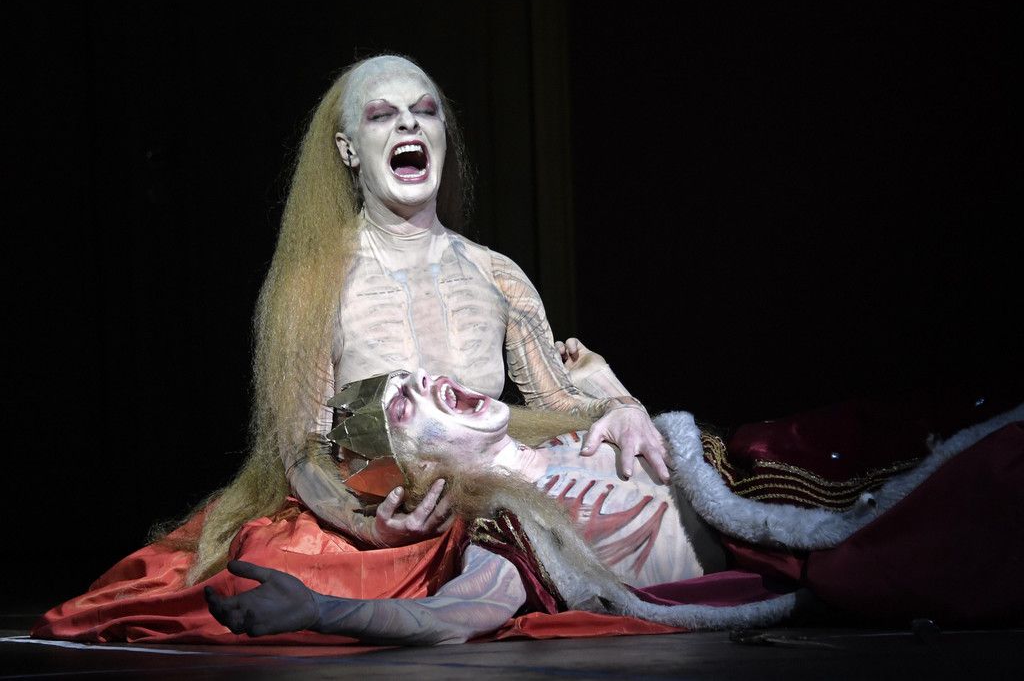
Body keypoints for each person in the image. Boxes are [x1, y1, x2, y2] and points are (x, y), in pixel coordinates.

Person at [188, 53, 668, 587]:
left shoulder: (498, 275)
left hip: (495, 514)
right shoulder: (316, 285)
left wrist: (622, 407)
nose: (408, 124)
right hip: (375, 527)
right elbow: (303, 451)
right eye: (381, 115)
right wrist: (370, 527)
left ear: (442, 136)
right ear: (349, 150)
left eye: (425, 111)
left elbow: (556, 401)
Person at [205, 369, 1024, 644]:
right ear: (414, 464)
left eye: (419, 376)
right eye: (408, 404)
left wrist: (624, 408)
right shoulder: (512, 528)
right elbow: (454, 616)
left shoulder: (580, 432)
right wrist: (324, 610)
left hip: (798, 459)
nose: (431, 383)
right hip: (819, 545)